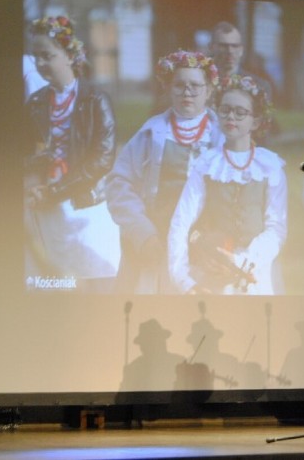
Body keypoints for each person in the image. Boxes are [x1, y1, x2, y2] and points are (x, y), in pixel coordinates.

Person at [106, 50, 221, 294]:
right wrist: (143, 232)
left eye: (195, 86)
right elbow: (119, 183)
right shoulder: (151, 133)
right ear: (168, 89)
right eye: (179, 85)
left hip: (205, 244)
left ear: (209, 91)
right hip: (156, 241)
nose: (187, 92)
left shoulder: (222, 136)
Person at [24, 15, 120, 289]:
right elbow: (24, 154)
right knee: (56, 286)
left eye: (48, 55)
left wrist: (56, 191)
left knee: (97, 286)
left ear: (69, 55)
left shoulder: (95, 100)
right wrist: (35, 182)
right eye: (36, 57)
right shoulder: (36, 102)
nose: (41, 64)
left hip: (88, 207)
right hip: (47, 208)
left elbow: (102, 159)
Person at [168, 75, 287, 295]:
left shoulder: (269, 166)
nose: (231, 116)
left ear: (256, 121)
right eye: (225, 110)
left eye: (240, 112)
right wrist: (183, 280)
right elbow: (181, 221)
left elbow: (277, 227)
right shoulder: (206, 164)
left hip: (256, 270)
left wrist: (243, 261)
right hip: (213, 269)